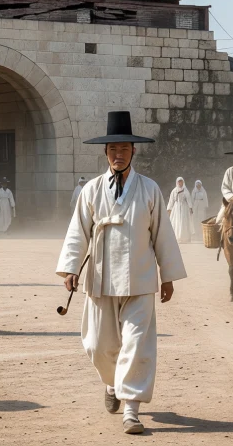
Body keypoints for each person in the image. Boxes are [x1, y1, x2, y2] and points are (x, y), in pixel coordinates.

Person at [58, 111, 187, 435]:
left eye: (125, 149)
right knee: (98, 345)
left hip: (140, 280)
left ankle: (131, 409)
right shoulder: (91, 191)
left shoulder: (149, 189)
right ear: (105, 153)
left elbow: (162, 234)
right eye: (113, 149)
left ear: (134, 151)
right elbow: (78, 232)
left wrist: (167, 274)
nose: (118, 154)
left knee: (136, 345)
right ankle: (111, 383)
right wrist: (70, 268)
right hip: (100, 280)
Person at [165, 177, 197, 243]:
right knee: (177, 222)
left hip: (184, 208)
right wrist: (169, 209)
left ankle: (184, 238)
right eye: (179, 182)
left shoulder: (185, 190)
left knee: (183, 222)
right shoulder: (174, 191)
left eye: (181, 181)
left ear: (183, 182)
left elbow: (188, 199)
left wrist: (190, 207)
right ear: (177, 182)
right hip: (176, 208)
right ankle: (177, 237)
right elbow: (171, 200)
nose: (180, 183)